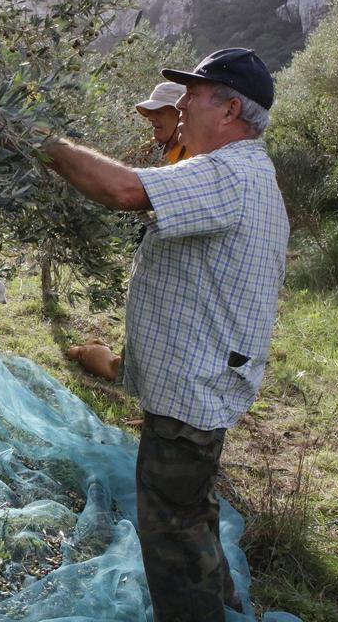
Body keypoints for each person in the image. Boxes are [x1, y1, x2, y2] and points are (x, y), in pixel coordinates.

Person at [38, 48, 289, 621]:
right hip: (200, 384)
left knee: (171, 536)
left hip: (193, 391)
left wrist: (45, 143)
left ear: (229, 110)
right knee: (193, 513)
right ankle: (221, 602)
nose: (179, 105)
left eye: (192, 95)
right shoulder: (241, 172)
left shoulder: (231, 172)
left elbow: (124, 191)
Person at [135, 81, 188, 164]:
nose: (151, 118)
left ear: (181, 115)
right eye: (150, 112)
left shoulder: (195, 153)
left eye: (159, 112)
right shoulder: (149, 148)